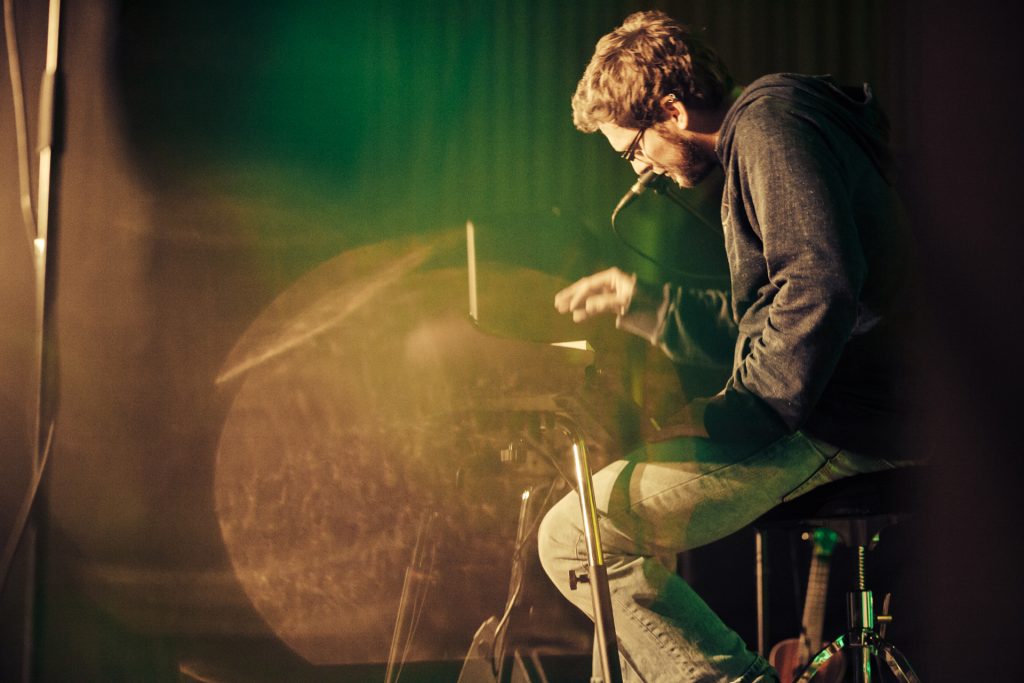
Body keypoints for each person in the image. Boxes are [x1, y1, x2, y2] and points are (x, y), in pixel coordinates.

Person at [538, 10, 915, 683]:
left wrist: (731, 418)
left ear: (673, 111)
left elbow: (817, 288)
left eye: (632, 150)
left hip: (848, 419)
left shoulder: (769, 124)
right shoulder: (780, 122)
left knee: (573, 535)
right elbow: (776, 312)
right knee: (604, 557)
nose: (640, 171)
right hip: (855, 406)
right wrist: (644, 304)